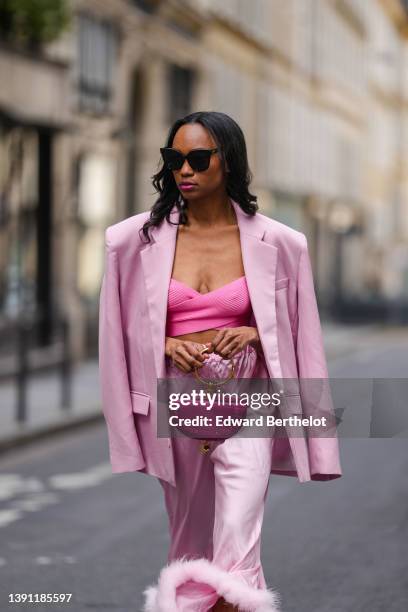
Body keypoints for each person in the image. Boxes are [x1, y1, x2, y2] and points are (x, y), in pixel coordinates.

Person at [98, 111, 342, 611]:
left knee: (238, 539)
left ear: (227, 162)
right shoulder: (130, 241)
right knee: (188, 542)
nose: (183, 170)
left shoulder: (282, 244)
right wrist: (163, 344)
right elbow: (116, 334)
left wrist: (254, 331)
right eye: (173, 159)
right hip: (176, 406)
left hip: (248, 401)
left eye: (197, 159)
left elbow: (303, 336)